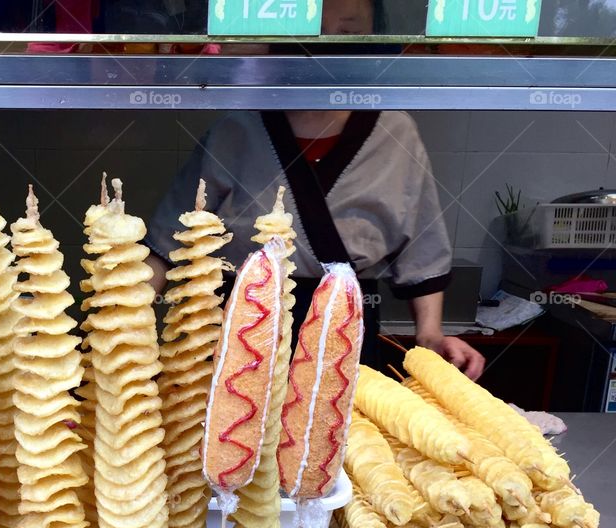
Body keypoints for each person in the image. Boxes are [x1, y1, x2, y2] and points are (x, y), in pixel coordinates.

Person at [146, 0, 485, 380]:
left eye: (346, 37)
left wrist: (431, 335)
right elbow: (168, 242)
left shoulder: (395, 131)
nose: (323, 54)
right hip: (242, 326)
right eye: (309, 38)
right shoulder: (237, 129)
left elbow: (423, 253)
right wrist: (131, 327)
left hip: (347, 331)